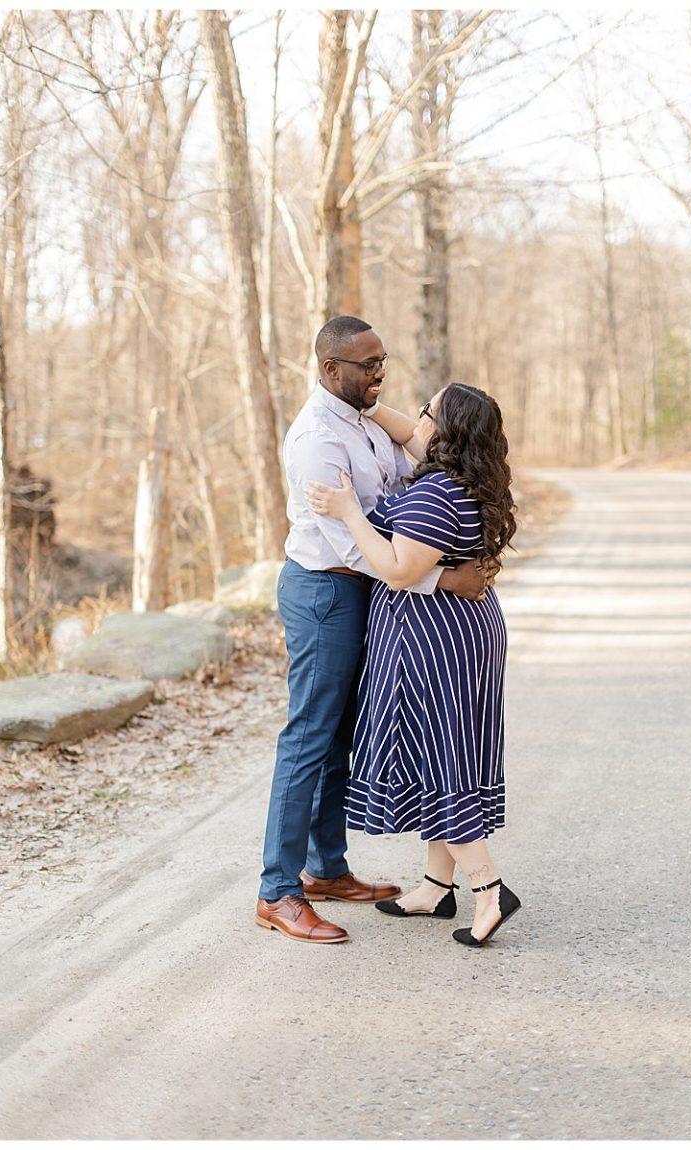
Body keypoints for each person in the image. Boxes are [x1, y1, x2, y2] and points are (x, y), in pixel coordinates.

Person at [255, 317, 492, 945]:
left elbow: (426, 447)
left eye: (383, 359)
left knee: (342, 736)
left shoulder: (363, 416)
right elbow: (350, 544)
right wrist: (442, 581)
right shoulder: (317, 441)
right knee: (308, 736)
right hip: (328, 591)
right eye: (367, 365)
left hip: (373, 593)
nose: (380, 371)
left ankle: (326, 870)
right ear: (331, 369)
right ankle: (277, 891)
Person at [305, 381, 520, 948]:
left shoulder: (435, 494)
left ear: (442, 431)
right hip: (460, 632)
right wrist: (367, 406)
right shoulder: (470, 480)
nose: (413, 419)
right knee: (443, 754)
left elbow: (397, 570)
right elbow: (407, 431)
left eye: (425, 411)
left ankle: (489, 889)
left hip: (432, 641)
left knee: (440, 760)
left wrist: (350, 511)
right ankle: (433, 886)